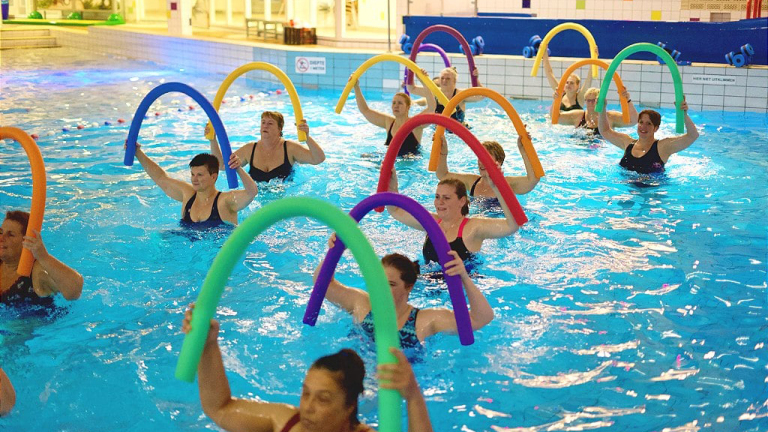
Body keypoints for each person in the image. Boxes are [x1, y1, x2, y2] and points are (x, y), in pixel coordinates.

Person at [181, 305, 434, 432]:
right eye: (305, 393)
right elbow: (219, 407)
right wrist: (208, 345)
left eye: (323, 399)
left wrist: (412, 396)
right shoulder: (287, 423)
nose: (307, 408)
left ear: (349, 407)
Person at [315, 239, 493, 347]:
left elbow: (481, 319)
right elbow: (322, 283)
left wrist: (463, 277)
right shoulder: (362, 304)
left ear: (409, 287)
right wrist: (334, 252)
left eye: (391, 284)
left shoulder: (423, 321)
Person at [387, 171, 519, 264]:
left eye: (446, 198)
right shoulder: (431, 222)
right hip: (429, 287)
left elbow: (512, 225)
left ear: (462, 201)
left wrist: (498, 189)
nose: (440, 202)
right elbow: (395, 210)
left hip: (460, 293)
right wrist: (392, 184)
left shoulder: (473, 227)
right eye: (437, 197)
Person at [132, 145, 258, 227]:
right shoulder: (188, 195)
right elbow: (161, 178)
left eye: (200, 175)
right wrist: (138, 152)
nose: (194, 179)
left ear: (213, 177)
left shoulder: (224, 201)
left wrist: (238, 169)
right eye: (192, 174)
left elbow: (251, 192)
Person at [208, 112, 325, 183]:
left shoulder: (289, 148)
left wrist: (307, 137)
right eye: (263, 122)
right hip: (256, 200)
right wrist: (213, 139)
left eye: (270, 123)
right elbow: (222, 166)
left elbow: (318, 159)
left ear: (280, 129)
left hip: (284, 197)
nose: (265, 126)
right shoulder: (250, 149)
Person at [0, 210, 83, 305]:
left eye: (11, 235)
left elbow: (74, 292)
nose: (1, 238)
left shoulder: (37, 271)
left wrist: (44, 257)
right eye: (1, 232)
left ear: (26, 241)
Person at [598, 97, 699, 174]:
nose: (643, 127)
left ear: (656, 128)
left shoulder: (663, 147)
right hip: (626, 189)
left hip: (651, 193)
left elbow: (693, 135)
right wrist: (602, 109)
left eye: (649, 123)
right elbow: (605, 131)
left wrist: (684, 114)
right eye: (641, 122)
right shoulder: (627, 142)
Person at [435, 132, 539, 199]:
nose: (481, 162)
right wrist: (443, 151)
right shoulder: (472, 182)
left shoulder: (508, 184)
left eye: (486, 158)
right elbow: (442, 175)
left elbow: (533, 179)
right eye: (480, 157)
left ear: (499, 161)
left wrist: (524, 151)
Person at [351, 75, 436, 157]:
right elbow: (365, 110)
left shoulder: (415, 124)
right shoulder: (388, 122)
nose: (396, 105)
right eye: (394, 103)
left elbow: (432, 107)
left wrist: (424, 82)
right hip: (391, 160)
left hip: (409, 164)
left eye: (400, 103)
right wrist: (356, 87)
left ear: (408, 107)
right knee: (364, 156)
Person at [407, 67, 484, 125]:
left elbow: (481, 96)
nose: (444, 81)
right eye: (442, 78)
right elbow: (411, 89)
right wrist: (413, 72)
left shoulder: (460, 94)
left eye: (448, 79)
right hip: (437, 130)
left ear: (454, 81)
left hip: (457, 132)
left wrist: (476, 79)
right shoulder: (434, 91)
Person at [552, 87, 638, 134]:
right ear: (585, 101)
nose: (591, 103)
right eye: (588, 100)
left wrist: (627, 100)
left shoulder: (610, 117)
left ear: (600, 101)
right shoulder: (578, 115)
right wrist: (557, 100)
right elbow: (555, 118)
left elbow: (633, 121)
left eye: (594, 100)